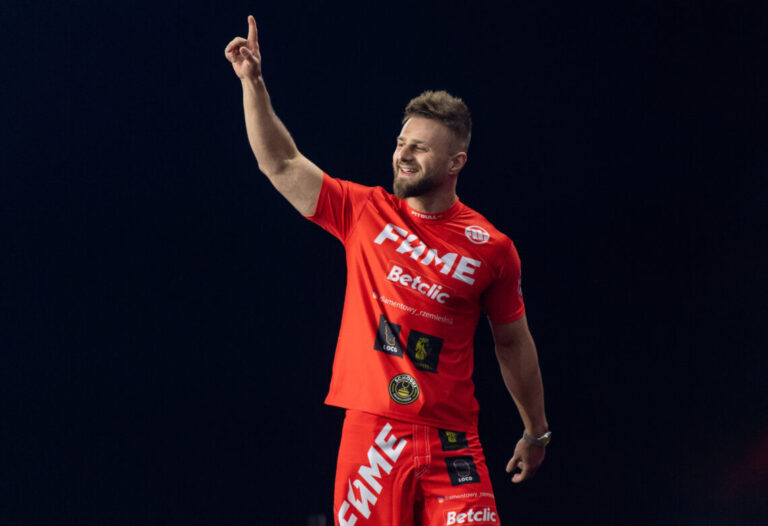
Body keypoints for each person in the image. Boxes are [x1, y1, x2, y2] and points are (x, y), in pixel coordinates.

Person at [225, 16, 550, 526]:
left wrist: (536, 431)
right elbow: (281, 163)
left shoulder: (493, 248)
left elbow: (513, 343)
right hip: (373, 434)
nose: (403, 154)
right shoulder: (363, 211)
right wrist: (253, 84)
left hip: (453, 441)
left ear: (456, 162)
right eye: (402, 142)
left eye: (420, 147)